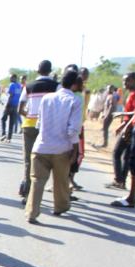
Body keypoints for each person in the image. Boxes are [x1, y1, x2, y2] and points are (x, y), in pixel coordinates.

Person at [24, 70, 82, 223]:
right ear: (75, 84)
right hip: (61, 148)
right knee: (61, 180)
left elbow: (39, 123)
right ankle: (60, 206)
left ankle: (31, 212)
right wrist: (75, 150)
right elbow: (73, 129)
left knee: (37, 181)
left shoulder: (46, 98)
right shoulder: (75, 101)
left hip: (41, 146)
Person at [18, 60, 59, 203]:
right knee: (47, 161)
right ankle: (48, 196)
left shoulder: (28, 86)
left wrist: (30, 116)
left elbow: (20, 108)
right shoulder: (56, 86)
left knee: (28, 161)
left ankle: (27, 194)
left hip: (29, 126)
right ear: (50, 70)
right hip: (48, 128)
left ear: (37, 70)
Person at [110, 78, 135, 207]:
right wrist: (127, 125)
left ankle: (132, 197)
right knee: (134, 161)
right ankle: (132, 196)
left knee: (134, 160)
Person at [108, 72, 135, 189]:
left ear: (133, 81)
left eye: (127, 80)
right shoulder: (132, 93)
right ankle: (122, 181)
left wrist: (122, 118)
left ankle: (118, 179)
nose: (124, 83)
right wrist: (122, 124)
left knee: (117, 153)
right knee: (126, 155)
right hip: (128, 126)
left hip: (130, 128)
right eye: (123, 80)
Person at [0, 73, 22, 142]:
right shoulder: (19, 86)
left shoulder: (12, 85)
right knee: (11, 122)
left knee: (3, 119)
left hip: (10, 105)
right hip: (16, 106)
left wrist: (6, 105)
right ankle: (9, 138)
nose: (10, 79)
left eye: (11, 78)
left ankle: (3, 134)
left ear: (14, 78)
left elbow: (11, 95)